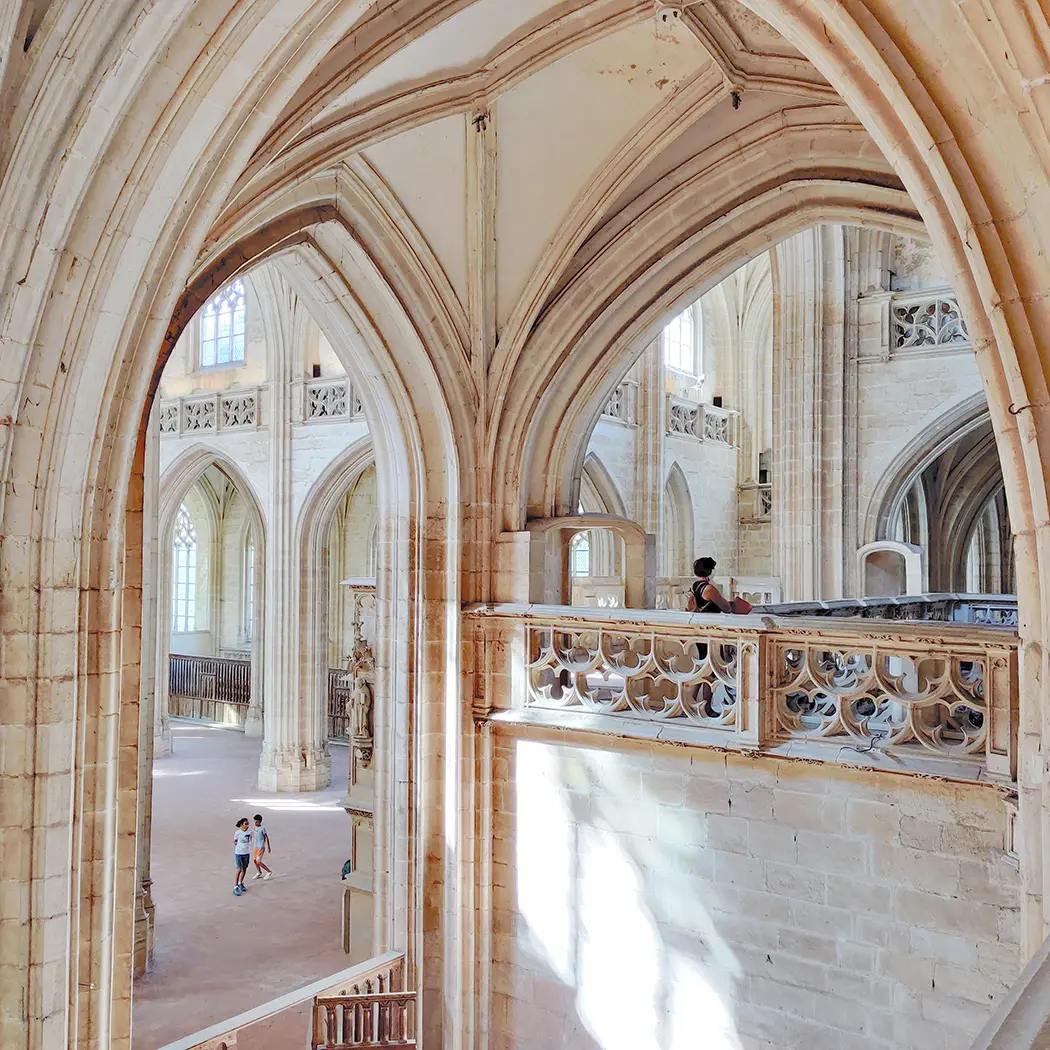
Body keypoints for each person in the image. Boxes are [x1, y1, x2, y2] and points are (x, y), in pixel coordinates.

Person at [686, 556, 753, 614]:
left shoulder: (695, 585)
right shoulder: (709, 589)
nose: (714, 570)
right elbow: (727, 608)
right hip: (709, 621)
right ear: (709, 570)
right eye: (713, 568)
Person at [233, 817, 252, 896]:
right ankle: (235, 886)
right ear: (241, 824)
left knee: (244, 868)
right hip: (239, 853)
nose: (247, 825)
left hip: (246, 853)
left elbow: (251, 839)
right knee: (239, 869)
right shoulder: (237, 833)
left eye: (248, 824)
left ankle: (240, 883)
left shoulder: (250, 832)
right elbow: (235, 841)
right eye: (245, 824)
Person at [251, 813, 273, 880]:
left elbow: (266, 837)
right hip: (256, 846)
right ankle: (259, 872)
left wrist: (269, 847)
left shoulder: (262, 829)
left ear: (260, 821)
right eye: (255, 821)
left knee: (258, 861)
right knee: (255, 860)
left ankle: (269, 871)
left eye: (257, 822)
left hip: (261, 847)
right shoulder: (255, 828)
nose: (255, 823)